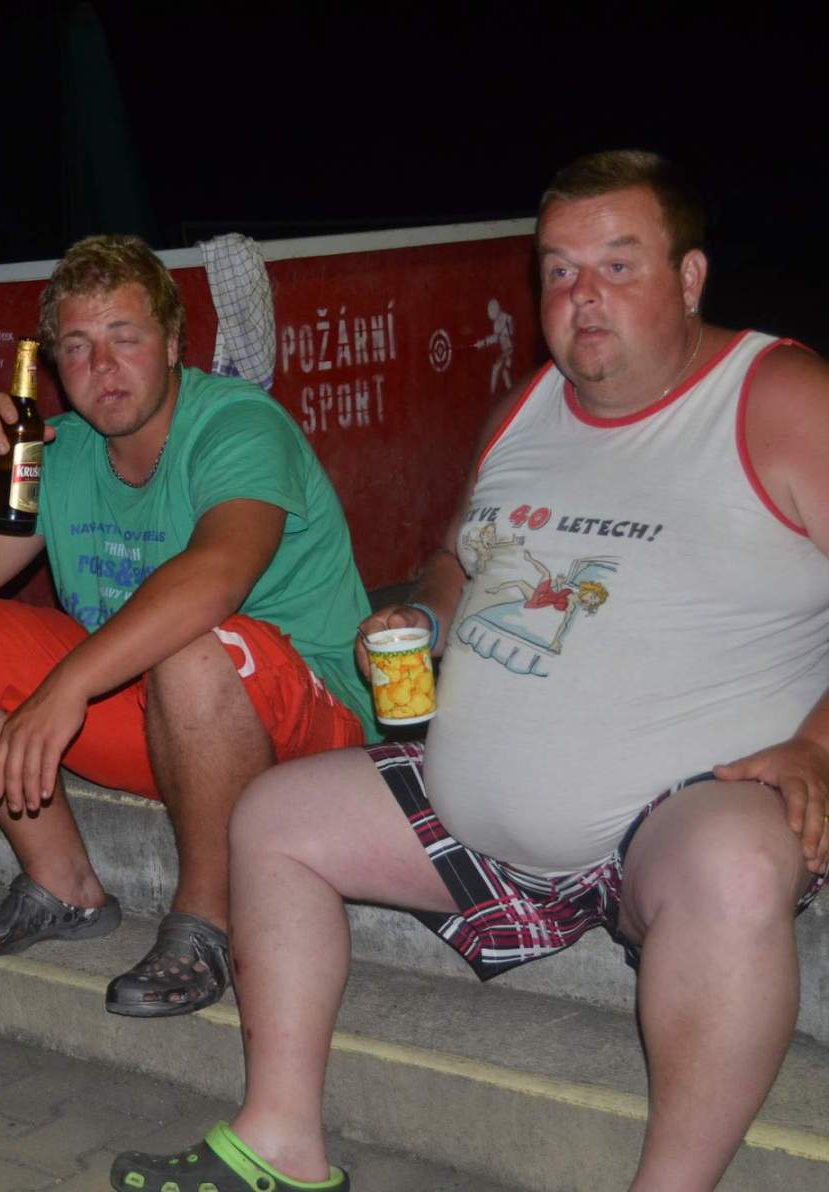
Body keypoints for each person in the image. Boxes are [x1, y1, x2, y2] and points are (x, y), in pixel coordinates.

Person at [111, 150, 829, 1192]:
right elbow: (457, 555)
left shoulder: (780, 398)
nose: (582, 296)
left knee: (739, 867)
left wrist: (816, 745)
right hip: (474, 798)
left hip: (677, 819)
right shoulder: (524, 410)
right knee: (274, 817)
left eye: (617, 265)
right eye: (558, 270)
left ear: (689, 277)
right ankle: (281, 1143)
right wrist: (423, 611)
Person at [0, 234, 376, 1018]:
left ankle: (211, 922)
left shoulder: (239, 426)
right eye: (78, 347)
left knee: (194, 649)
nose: (102, 366)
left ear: (174, 343)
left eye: (125, 338)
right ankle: (64, 886)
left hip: (303, 726)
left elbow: (216, 577)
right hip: (171, 723)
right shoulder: (64, 452)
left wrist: (67, 687)